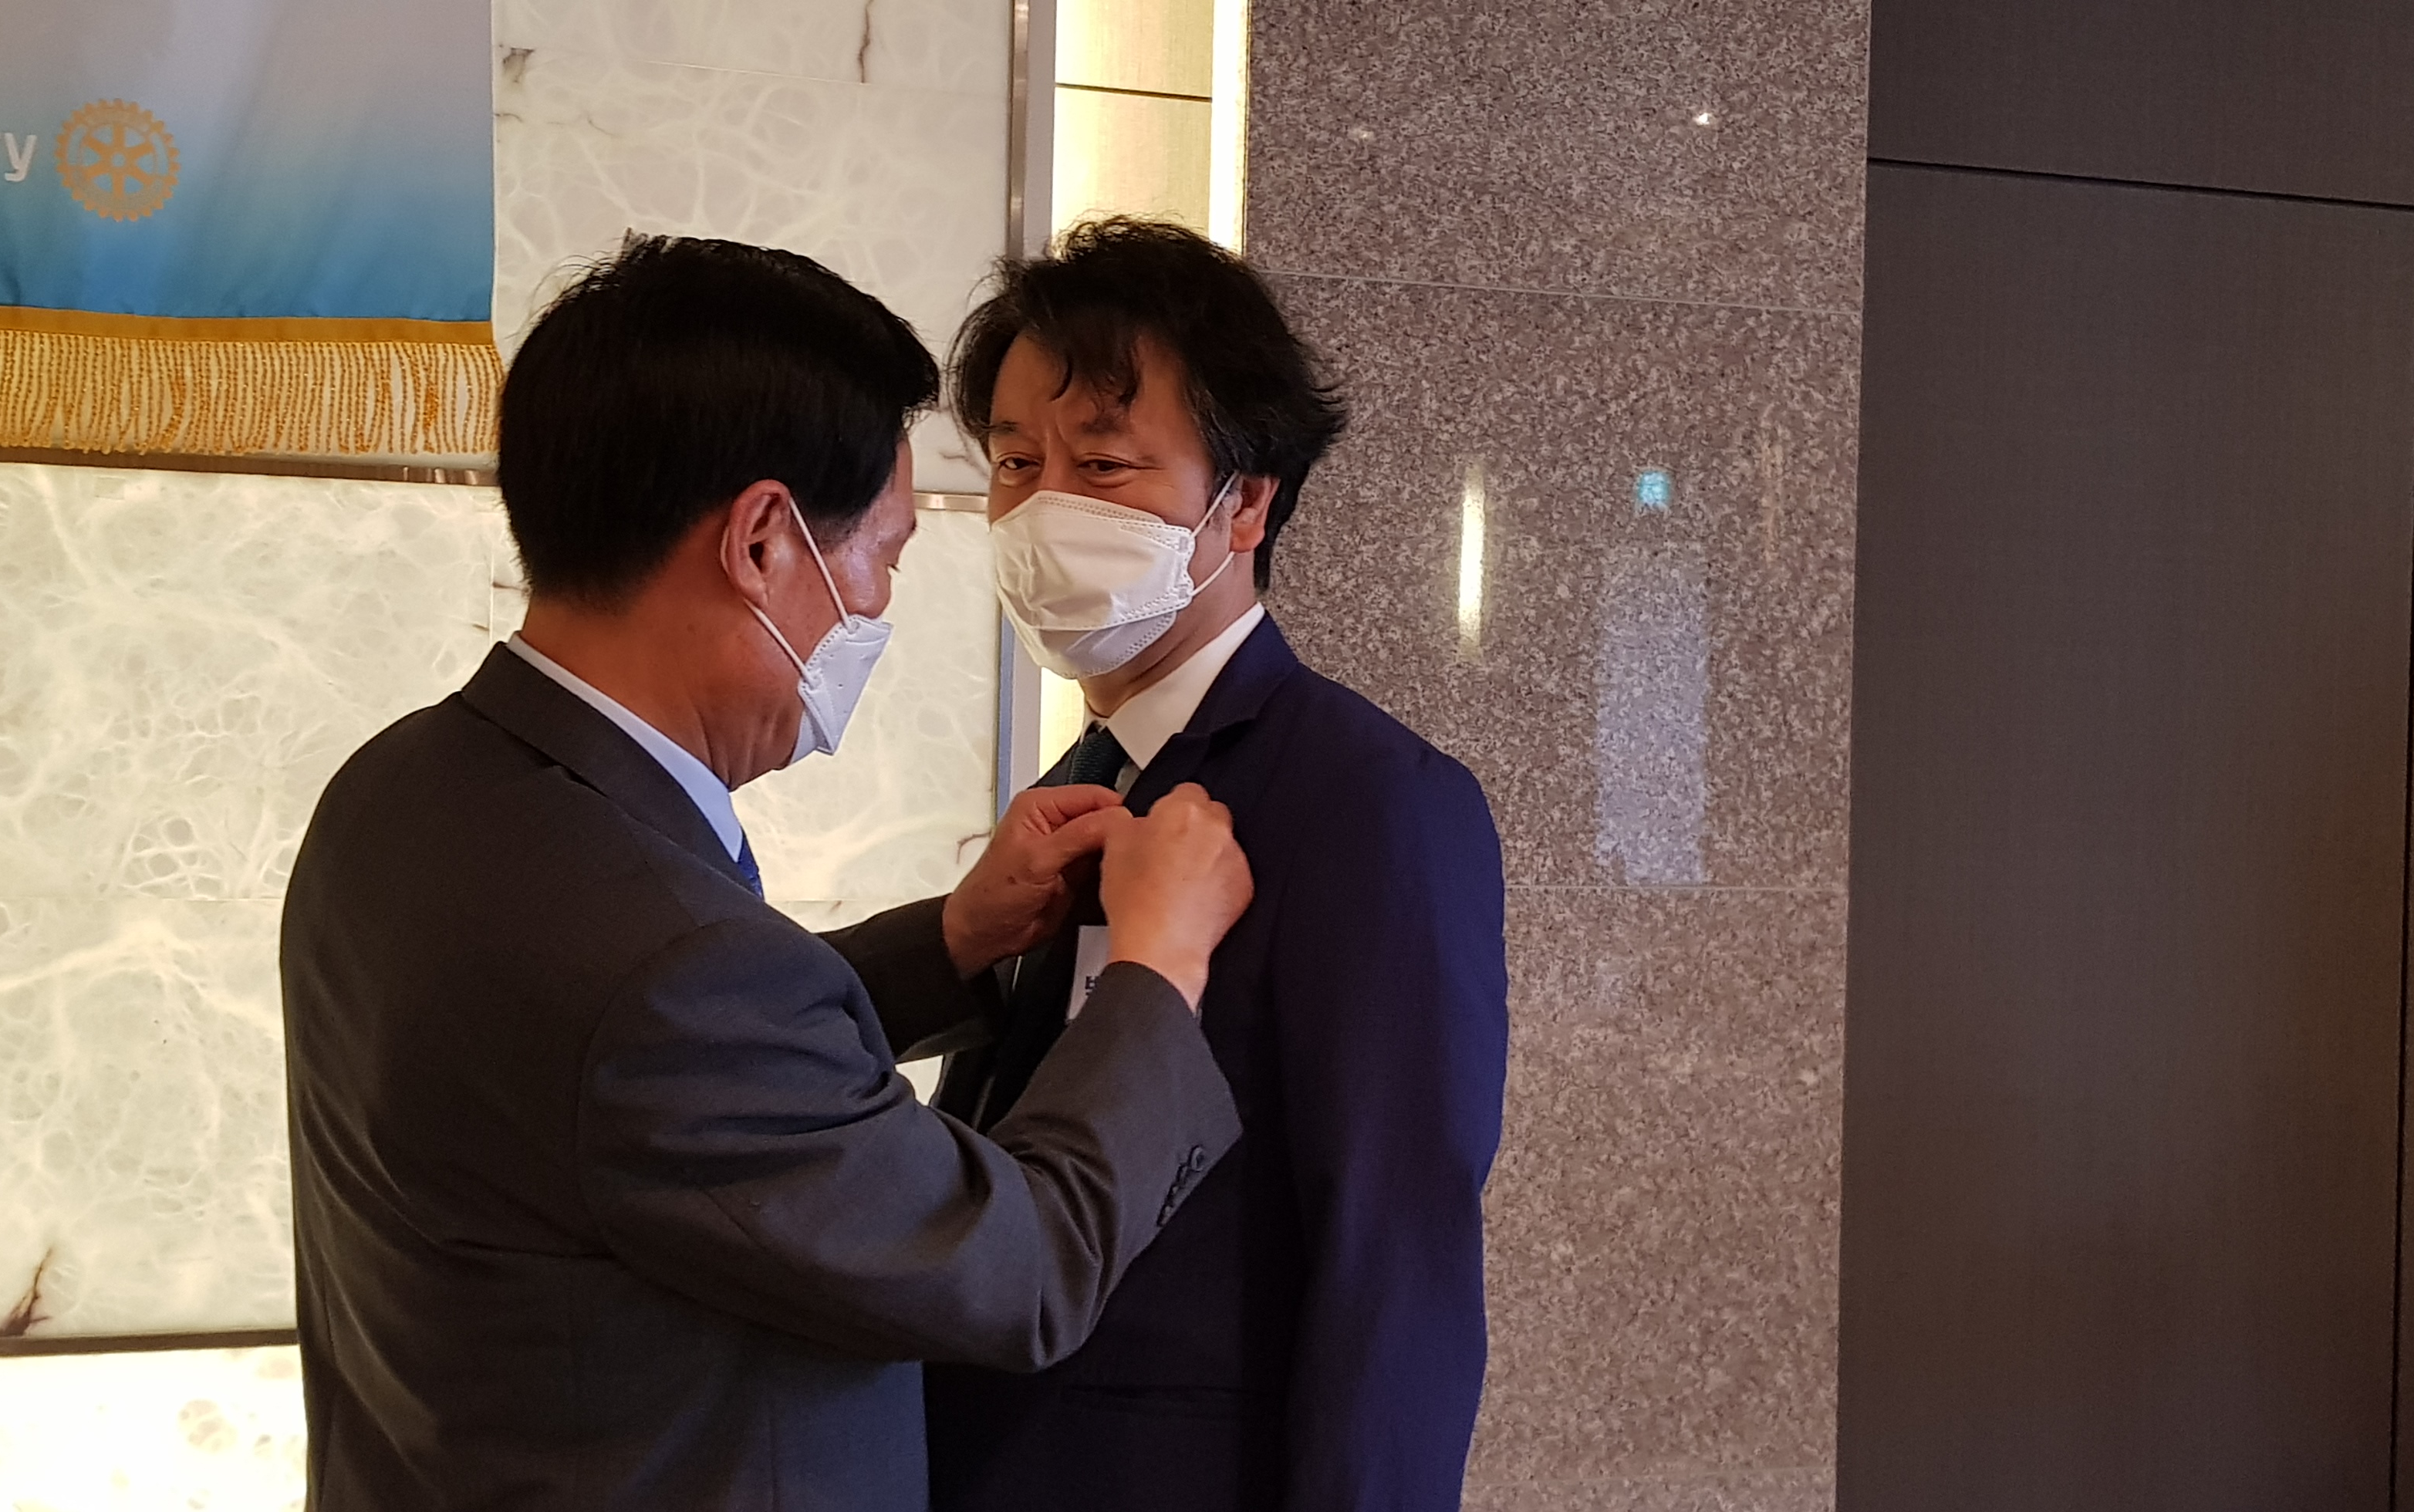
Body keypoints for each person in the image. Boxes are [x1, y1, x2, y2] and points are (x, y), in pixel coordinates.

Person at [279, 235, 1254, 1510]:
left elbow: (638, 1083)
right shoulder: (663, 971)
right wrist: (1157, 971)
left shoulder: (401, 790)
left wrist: (949, 942)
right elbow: (1021, 1269)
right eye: (883, 557)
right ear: (760, 544)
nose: (880, 605)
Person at [923, 218, 1511, 1511]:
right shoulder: (1077, 784)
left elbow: (1394, 1255)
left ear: (1245, 501)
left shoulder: (1370, 799)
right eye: (1016, 462)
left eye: (1103, 463)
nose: (1044, 507)